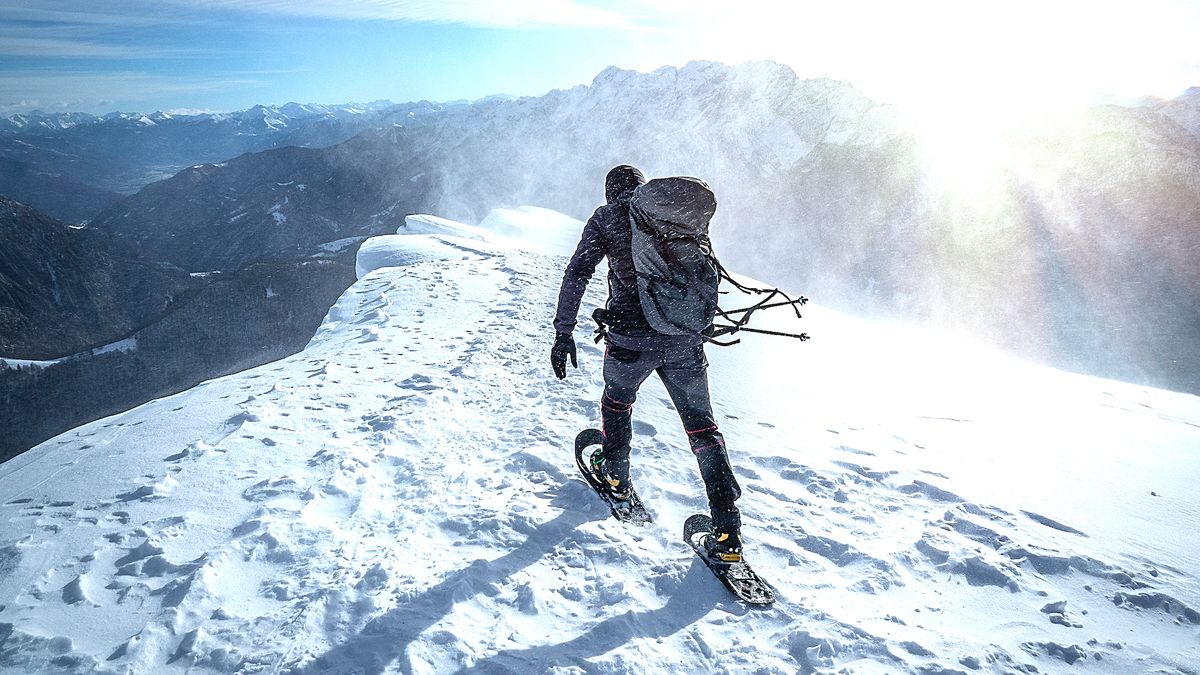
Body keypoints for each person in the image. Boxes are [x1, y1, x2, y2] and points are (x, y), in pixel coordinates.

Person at [551, 164, 745, 563]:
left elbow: (578, 272)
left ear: (610, 192)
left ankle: (617, 476)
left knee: (617, 402)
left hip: (629, 342)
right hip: (684, 342)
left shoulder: (606, 217)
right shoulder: (675, 222)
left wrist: (563, 331)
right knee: (703, 428)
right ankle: (727, 533)